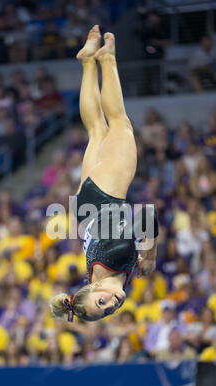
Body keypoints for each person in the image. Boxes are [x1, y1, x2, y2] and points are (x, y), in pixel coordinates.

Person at [50, 25, 158, 322]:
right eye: (107, 310)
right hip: (89, 208)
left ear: (93, 286)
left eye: (102, 302)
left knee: (119, 123)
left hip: (106, 195)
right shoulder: (106, 272)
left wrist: (149, 257)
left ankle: (107, 58)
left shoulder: (118, 260)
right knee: (96, 130)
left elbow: (149, 215)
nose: (111, 304)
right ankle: (87, 61)